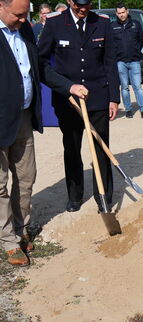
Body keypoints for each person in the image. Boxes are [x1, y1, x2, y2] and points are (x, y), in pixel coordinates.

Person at [38, 0, 120, 213]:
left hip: (98, 98)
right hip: (69, 101)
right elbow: (42, 63)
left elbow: (110, 62)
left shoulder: (102, 23)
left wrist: (114, 97)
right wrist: (66, 87)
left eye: (87, 4)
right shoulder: (55, 23)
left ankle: (103, 196)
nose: (83, 9)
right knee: (72, 149)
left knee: (101, 148)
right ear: (69, 1)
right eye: (78, 5)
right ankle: (74, 196)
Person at [0, 0, 43, 266]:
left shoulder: (25, 30)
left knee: (26, 177)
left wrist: (68, 86)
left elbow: (38, 68)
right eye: (19, 14)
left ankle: (21, 227)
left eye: (26, 13)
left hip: (23, 117)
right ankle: (7, 239)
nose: (24, 19)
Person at [111, 3, 143, 120]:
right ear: (116, 14)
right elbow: (110, 45)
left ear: (127, 12)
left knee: (137, 86)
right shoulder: (112, 26)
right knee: (124, 87)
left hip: (134, 61)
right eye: (119, 13)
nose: (121, 15)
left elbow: (142, 41)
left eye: (123, 12)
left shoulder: (136, 25)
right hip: (120, 62)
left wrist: (139, 55)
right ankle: (128, 110)